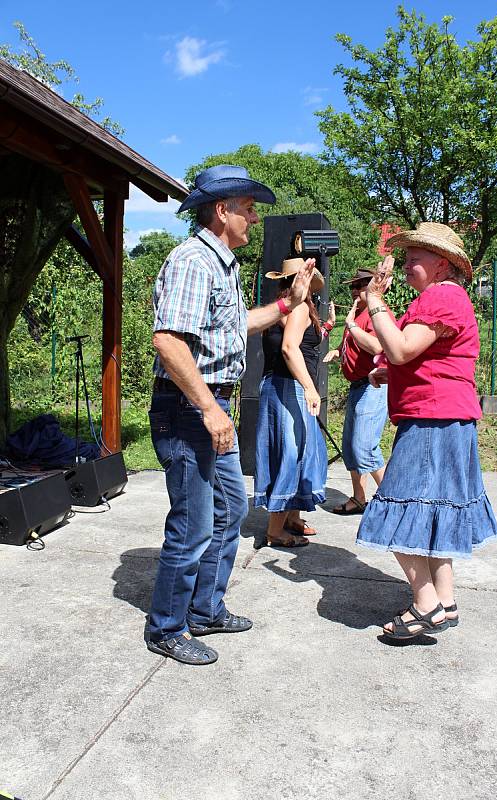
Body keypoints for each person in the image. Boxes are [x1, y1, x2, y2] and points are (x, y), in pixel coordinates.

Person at [148, 165, 316, 665]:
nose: (255, 217)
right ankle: (166, 627)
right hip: (190, 410)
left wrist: (290, 302)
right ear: (222, 210)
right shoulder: (193, 261)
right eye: (248, 207)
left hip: (209, 406)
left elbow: (236, 324)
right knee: (194, 523)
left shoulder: (223, 266)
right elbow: (168, 341)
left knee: (231, 513)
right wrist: (207, 408)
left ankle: (205, 608)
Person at [356, 222, 497, 641]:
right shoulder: (446, 297)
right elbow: (414, 356)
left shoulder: (442, 296)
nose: (405, 267)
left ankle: (425, 602)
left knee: (397, 508)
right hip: (446, 417)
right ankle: (445, 599)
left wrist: (374, 299)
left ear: (442, 264)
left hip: (433, 420)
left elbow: (399, 347)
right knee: (435, 509)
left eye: (414, 259)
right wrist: (390, 374)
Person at [253, 259, 330, 547]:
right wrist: (310, 388)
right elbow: (289, 348)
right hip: (288, 386)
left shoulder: (284, 308)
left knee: (301, 451)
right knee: (292, 453)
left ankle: (292, 517)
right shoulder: (296, 307)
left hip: (280, 385)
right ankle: (275, 531)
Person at [323, 268, 393, 515]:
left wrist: (351, 325)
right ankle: (359, 498)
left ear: (372, 287)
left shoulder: (377, 314)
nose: (354, 290)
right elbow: (351, 344)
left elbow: (376, 346)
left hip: (373, 387)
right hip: (358, 386)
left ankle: (392, 501)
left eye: (360, 285)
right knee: (352, 448)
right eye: (352, 286)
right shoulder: (359, 313)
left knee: (364, 447)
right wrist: (338, 352)